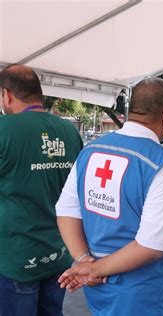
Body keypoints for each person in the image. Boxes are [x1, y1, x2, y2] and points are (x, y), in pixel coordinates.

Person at [55, 78, 163, 315]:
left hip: (100, 289)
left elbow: (67, 210)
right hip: (144, 295)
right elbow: (152, 246)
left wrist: (84, 260)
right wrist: (94, 269)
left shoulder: (90, 151)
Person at [0, 64, 83, 315]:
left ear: (7, 94)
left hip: (16, 256)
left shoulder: (5, 129)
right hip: (59, 253)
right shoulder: (70, 131)